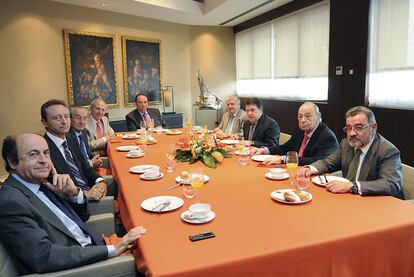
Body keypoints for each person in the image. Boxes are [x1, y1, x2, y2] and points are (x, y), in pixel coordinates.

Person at [0, 134, 145, 274]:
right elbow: (44, 256)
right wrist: (114, 249)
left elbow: (83, 216)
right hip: (78, 265)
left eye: (46, 153)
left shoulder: (43, 182)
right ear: (12, 162)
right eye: (33, 154)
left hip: (92, 245)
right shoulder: (11, 202)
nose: (44, 160)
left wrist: (74, 193)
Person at [297, 106, 403, 199]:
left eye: (359, 127)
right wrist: (309, 168)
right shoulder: (347, 144)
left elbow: (391, 185)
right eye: (348, 128)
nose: (352, 133)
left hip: (379, 205)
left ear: (373, 128)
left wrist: (352, 186)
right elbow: (328, 162)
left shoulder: (387, 151)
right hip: (350, 199)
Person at [40, 99, 114, 201]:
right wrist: (84, 195)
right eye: (57, 118)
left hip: (89, 188)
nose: (64, 121)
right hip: (76, 204)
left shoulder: (70, 140)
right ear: (45, 123)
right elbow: (52, 191)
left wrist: (100, 182)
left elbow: (86, 169)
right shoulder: (42, 151)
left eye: (66, 117)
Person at [253, 102, 339, 165]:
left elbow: (317, 161)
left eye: (308, 116)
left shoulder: (327, 137)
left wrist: (284, 159)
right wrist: (266, 150)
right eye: (300, 116)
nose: (303, 120)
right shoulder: (300, 131)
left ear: (318, 116)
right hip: (296, 171)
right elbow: (286, 148)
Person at [68, 105, 102, 169]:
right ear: (69, 119)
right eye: (78, 118)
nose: (82, 122)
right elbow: (75, 165)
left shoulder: (84, 132)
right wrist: (91, 163)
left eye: (85, 118)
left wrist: (96, 158)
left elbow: (87, 151)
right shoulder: (67, 137)